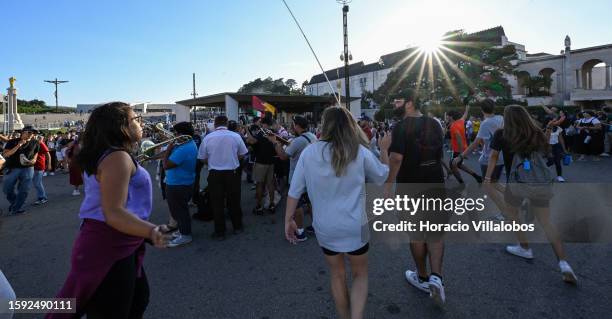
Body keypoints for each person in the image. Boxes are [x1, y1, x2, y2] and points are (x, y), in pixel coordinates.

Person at [47, 102, 170, 319]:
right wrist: (152, 231)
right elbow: (113, 213)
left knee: (136, 300)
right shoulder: (117, 157)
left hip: (120, 241)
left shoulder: (112, 154)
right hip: (108, 242)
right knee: (105, 309)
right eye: (134, 120)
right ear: (119, 126)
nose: (140, 124)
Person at [285, 106, 390, 319]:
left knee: (337, 274)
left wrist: (287, 220)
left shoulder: (309, 152)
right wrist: (384, 150)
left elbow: (294, 191)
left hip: (325, 227)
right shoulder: (359, 152)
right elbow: (382, 176)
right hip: (355, 226)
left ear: (325, 125)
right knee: (360, 274)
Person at [486, 104, 577, 284]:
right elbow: (546, 151)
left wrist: (488, 178)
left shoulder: (501, 134)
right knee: (546, 222)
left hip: (517, 182)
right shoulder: (535, 132)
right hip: (538, 181)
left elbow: (494, 157)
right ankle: (564, 263)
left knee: (513, 216)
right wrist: (548, 129)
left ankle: (525, 247)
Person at [385, 90, 448, 306]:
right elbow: (440, 154)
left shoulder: (402, 126)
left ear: (410, 104)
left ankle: (422, 277)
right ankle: (436, 277)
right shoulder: (436, 124)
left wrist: (387, 184)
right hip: (435, 182)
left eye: (398, 100)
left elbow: (396, 158)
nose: (395, 103)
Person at [198, 115, 248, 241]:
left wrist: (211, 163)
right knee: (234, 201)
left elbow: (202, 158)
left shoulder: (207, 138)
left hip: (215, 174)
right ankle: (237, 227)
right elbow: (242, 154)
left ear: (215, 124)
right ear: (226, 123)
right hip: (232, 173)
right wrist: (232, 159)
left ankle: (220, 232)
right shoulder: (235, 136)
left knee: (217, 203)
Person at [268, 115, 317, 241]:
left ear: (297, 126)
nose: (291, 126)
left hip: (297, 177)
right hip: (310, 175)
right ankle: (316, 226)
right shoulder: (312, 136)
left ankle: (300, 232)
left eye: (293, 124)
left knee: (297, 204)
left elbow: (283, 156)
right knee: (310, 201)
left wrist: (275, 143)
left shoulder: (299, 140)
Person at [164, 122, 198, 247]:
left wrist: (168, 149)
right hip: (180, 182)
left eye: (176, 133)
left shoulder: (185, 148)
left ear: (181, 134)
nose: (174, 135)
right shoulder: (186, 143)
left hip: (178, 184)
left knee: (179, 210)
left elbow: (166, 165)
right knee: (179, 210)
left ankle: (186, 235)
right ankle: (183, 231)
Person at [2, 126, 40, 215]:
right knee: (7, 189)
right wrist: (19, 145)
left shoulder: (35, 142)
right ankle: (16, 203)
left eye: (33, 133)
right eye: (30, 132)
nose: (32, 134)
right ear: (23, 132)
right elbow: (6, 154)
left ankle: (16, 208)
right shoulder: (12, 142)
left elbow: (36, 154)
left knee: (24, 190)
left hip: (28, 168)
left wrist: (33, 160)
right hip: (12, 168)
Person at [246, 116, 278, 215]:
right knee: (270, 184)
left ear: (263, 123)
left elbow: (252, 141)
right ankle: (272, 204)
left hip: (261, 162)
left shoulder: (262, 132)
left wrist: (247, 129)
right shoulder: (273, 133)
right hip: (271, 162)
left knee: (259, 184)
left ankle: (259, 206)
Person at [32, 135, 51, 205]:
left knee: (37, 183)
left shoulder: (40, 143)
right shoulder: (30, 143)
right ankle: (40, 197)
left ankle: (43, 197)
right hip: (32, 166)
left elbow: (48, 154)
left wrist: (49, 164)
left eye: (33, 135)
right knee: (36, 183)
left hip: (40, 165)